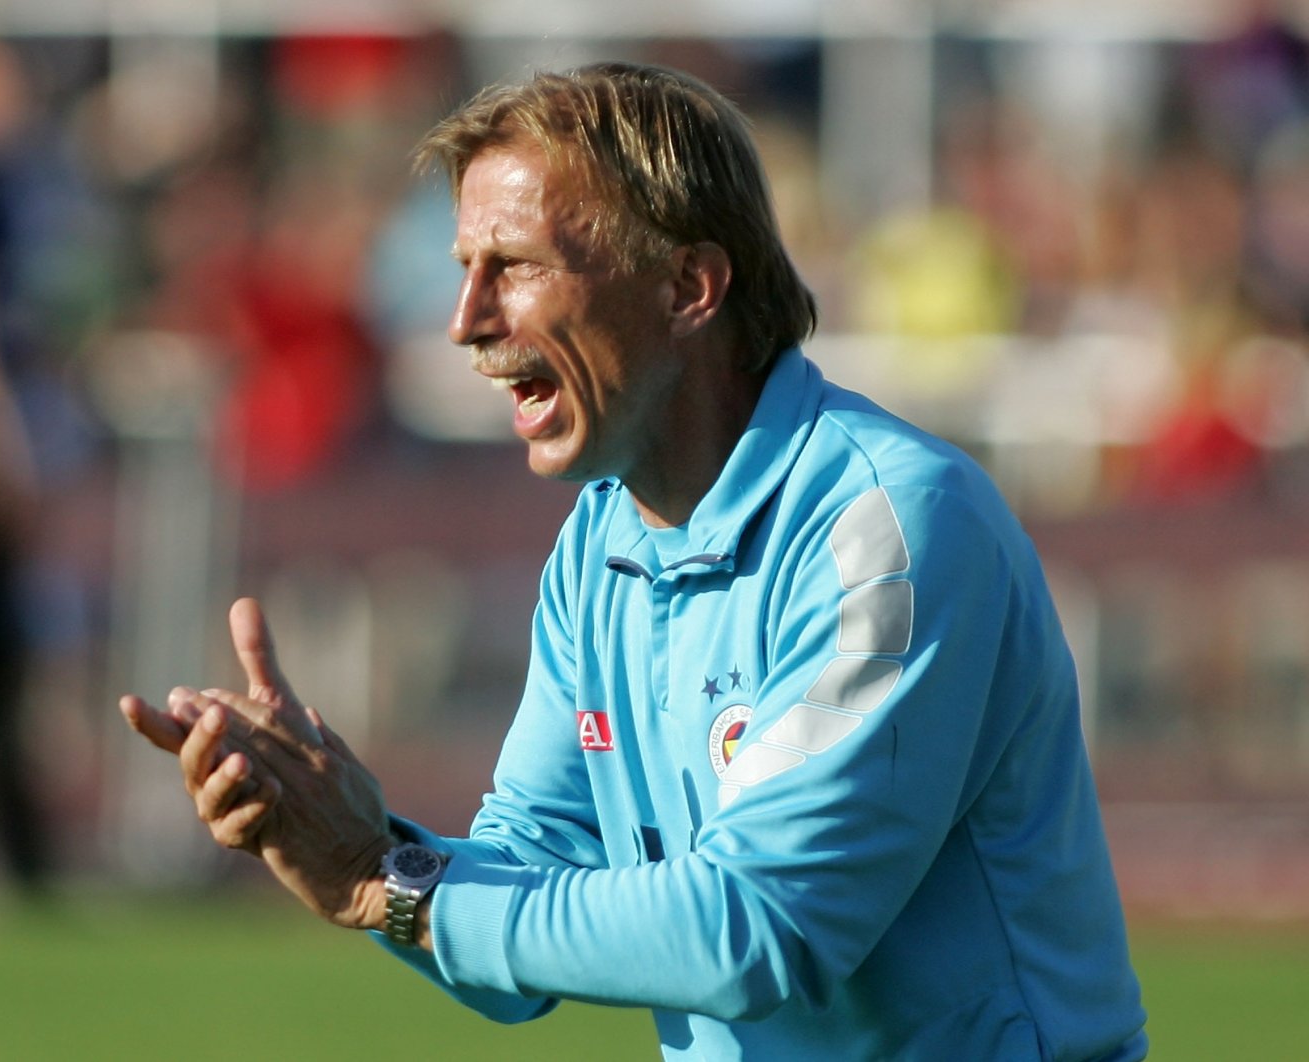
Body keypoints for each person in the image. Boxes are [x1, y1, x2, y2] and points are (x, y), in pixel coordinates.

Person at [121, 62, 1148, 1060]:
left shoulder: (891, 523)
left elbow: (761, 927)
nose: (465, 322)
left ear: (687, 286)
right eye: (464, 272)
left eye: (514, 267)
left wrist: (389, 881)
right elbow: (526, 893)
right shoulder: (600, 543)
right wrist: (374, 861)